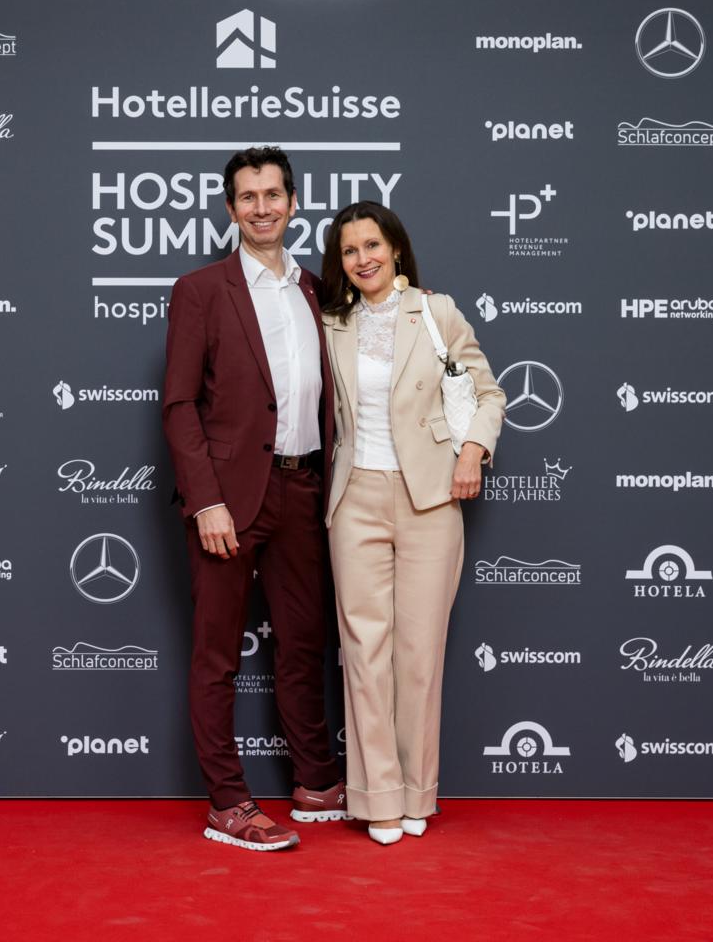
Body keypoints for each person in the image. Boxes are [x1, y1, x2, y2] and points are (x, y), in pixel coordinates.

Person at [161, 146, 345, 852]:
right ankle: (228, 803)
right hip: (229, 498)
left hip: (305, 489)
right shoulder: (201, 290)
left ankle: (316, 781)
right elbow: (180, 404)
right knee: (217, 655)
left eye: (273, 195)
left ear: (293, 203)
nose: (262, 208)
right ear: (230, 208)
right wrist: (205, 501)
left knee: (304, 644)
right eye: (248, 197)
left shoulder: (317, 289)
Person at [318, 201, 506, 845]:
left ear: (395, 248)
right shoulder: (330, 323)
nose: (363, 258)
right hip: (355, 499)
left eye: (372, 245)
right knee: (365, 653)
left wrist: (473, 452)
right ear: (340, 263)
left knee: (420, 654)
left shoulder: (436, 312)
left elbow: (488, 392)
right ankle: (378, 798)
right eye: (349, 251)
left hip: (430, 499)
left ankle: (418, 793)